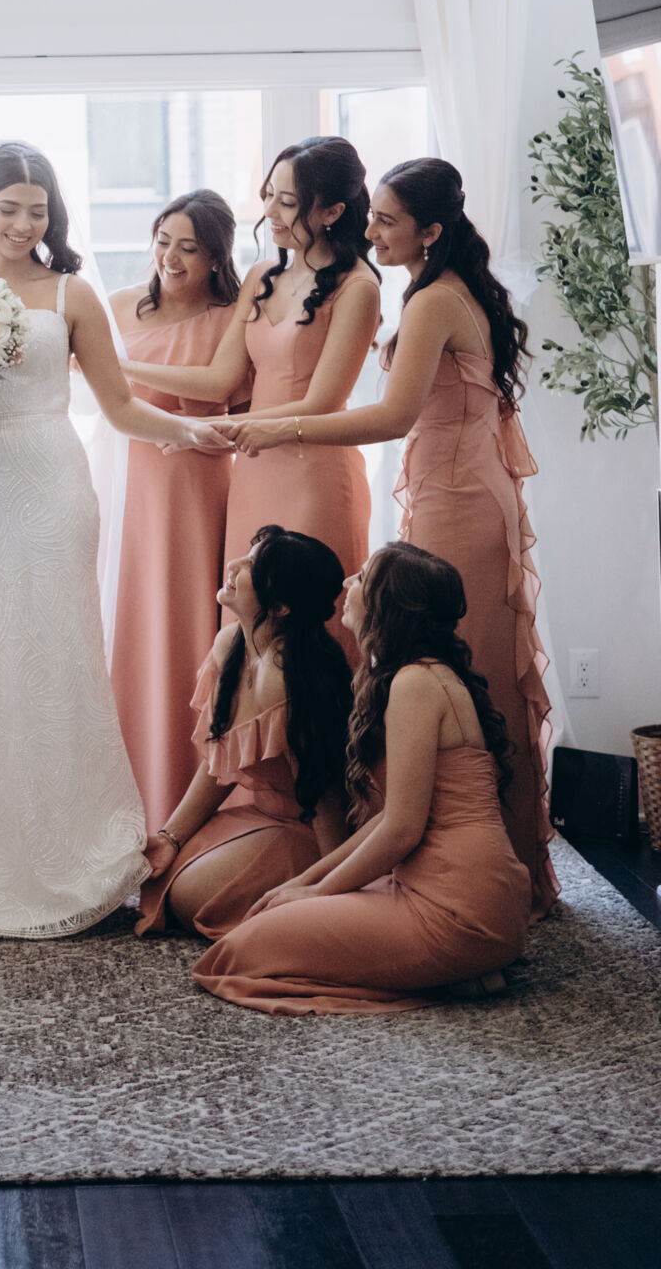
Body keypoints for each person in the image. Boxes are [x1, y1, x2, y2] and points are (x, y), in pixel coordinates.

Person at [0, 140, 237, 938]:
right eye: (9, 208)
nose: (23, 224)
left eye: (37, 211)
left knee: (54, 660)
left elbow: (121, 406)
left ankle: (71, 853)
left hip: (49, 485)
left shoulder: (73, 293)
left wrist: (190, 434)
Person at [226, 157, 555, 916]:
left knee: (465, 672)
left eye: (385, 221)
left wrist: (282, 429)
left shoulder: (436, 300)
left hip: (459, 501)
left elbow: (393, 417)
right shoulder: (438, 288)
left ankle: (490, 869)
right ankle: (472, 854)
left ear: (430, 231)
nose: (368, 230)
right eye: (369, 214)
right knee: (457, 670)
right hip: (454, 491)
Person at [192, 542, 530, 1013]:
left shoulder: (416, 683)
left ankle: (455, 971)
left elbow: (401, 830)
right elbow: (386, 820)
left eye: (362, 578)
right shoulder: (410, 677)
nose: (347, 584)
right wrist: (304, 883)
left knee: (234, 956)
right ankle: (459, 972)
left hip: (457, 906)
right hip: (463, 893)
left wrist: (315, 892)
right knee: (268, 915)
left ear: (388, 606)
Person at [125, 138, 381, 627]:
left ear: (332, 212)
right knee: (246, 623)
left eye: (288, 203)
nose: (270, 213)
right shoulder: (262, 275)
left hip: (314, 472)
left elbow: (322, 402)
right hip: (253, 472)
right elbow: (219, 381)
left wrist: (214, 431)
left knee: (305, 629)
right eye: (268, 197)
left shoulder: (358, 287)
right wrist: (126, 367)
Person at [136, 526, 352, 939]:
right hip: (263, 815)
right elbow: (221, 760)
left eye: (253, 565)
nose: (234, 565)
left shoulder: (290, 678)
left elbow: (325, 800)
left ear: (281, 606)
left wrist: (334, 889)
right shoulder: (229, 644)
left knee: (187, 897)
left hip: (312, 828)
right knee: (156, 874)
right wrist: (171, 837)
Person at [106, 190, 241, 830]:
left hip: (198, 486)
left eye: (189, 247)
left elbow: (233, 397)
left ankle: (187, 801)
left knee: (190, 623)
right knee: (131, 624)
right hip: (128, 480)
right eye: (163, 241)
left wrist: (124, 366)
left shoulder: (232, 316)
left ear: (216, 256)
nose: (171, 257)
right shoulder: (116, 306)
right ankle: (129, 798)